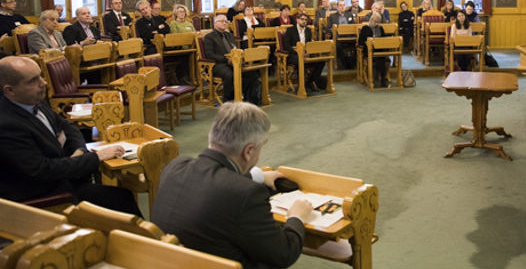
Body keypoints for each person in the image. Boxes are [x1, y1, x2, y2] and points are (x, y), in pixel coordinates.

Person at [152, 102, 312, 269]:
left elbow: (212, 181)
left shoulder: (175, 166)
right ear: (248, 151)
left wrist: (257, 176)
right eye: (260, 148)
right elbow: (284, 253)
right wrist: (296, 217)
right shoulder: (246, 194)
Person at [0, 56, 141, 216]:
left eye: (41, 75)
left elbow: (68, 127)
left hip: (63, 177)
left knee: (118, 189)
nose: (44, 82)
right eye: (33, 80)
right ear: (9, 90)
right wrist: (95, 157)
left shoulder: (33, 100)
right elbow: (43, 170)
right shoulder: (7, 125)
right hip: (43, 196)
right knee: (121, 199)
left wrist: (80, 150)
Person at [205, 15, 261, 103]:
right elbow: (210, 54)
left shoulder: (230, 35)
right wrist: (226, 60)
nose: (224, 23)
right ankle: (228, 100)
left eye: (226, 21)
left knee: (251, 73)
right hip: (219, 64)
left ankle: (248, 98)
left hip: (235, 61)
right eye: (222, 21)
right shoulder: (209, 37)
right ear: (215, 23)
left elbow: (235, 49)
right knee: (230, 75)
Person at [284, 13, 325, 94]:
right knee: (300, 60)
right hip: (293, 55)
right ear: (297, 20)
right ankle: (301, 86)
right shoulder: (290, 30)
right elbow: (286, 45)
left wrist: (308, 52)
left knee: (321, 61)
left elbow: (309, 44)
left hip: (306, 53)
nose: (304, 21)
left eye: (306, 20)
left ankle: (309, 82)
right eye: (302, 19)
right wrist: (297, 52)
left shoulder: (308, 30)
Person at [358, 13, 388, 87]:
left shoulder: (380, 28)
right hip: (368, 50)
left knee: (381, 57)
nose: (376, 23)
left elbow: (384, 40)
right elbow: (360, 41)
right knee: (380, 58)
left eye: (378, 22)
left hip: (379, 50)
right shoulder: (365, 28)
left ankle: (383, 79)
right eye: (375, 21)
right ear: (371, 20)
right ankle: (376, 79)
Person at [327, 1, 356, 69]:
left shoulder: (349, 15)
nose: (342, 7)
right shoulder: (332, 16)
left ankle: (352, 62)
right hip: (337, 37)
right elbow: (328, 28)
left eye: (343, 5)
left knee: (357, 44)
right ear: (337, 7)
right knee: (338, 46)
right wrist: (334, 31)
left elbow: (354, 26)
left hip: (349, 36)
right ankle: (345, 64)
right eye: (340, 5)